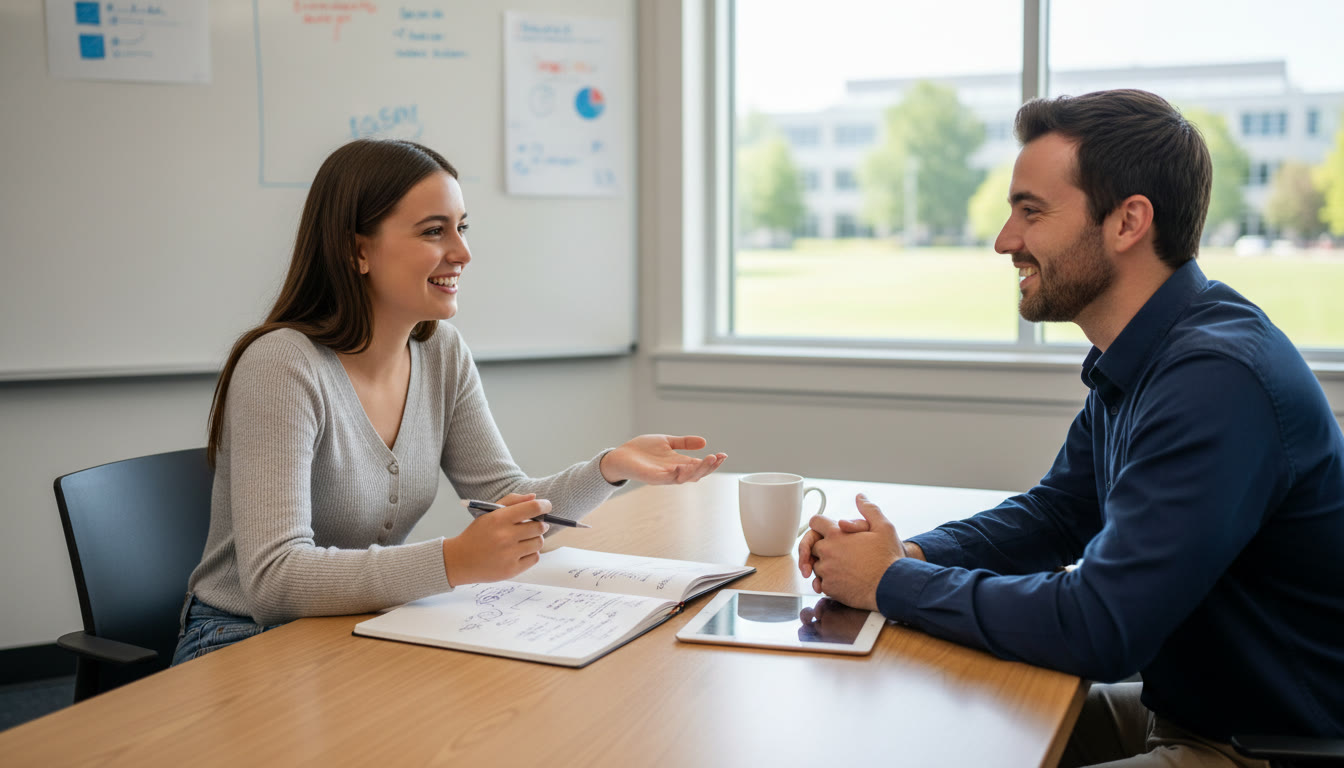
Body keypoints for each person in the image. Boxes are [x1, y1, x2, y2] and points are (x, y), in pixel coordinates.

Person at [798, 89, 1344, 766]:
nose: (1005, 241)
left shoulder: (1215, 378)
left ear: (1128, 222)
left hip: (1272, 748)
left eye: (1032, 212)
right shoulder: (1152, 351)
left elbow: (1099, 626)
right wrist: (910, 556)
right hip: (1186, 714)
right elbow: (1059, 512)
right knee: (935, 737)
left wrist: (889, 584)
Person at [173, 139, 726, 664]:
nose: (461, 252)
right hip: (239, 638)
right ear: (355, 249)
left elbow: (506, 500)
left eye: (460, 228)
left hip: (356, 625)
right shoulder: (282, 364)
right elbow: (275, 580)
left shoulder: (440, 354)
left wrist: (608, 468)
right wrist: (453, 562)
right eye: (434, 231)